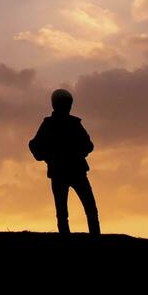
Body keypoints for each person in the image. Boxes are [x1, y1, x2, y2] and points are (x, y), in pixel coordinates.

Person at [28, 88, 100, 237]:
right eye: (65, 103)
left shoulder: (72, 123)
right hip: (65, 171)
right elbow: (34, 145)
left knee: (87, 209)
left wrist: (50, 156)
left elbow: (89, 145)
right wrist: (48, 156)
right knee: (67, 211)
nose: (67, 106)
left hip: (71, 171)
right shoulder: (52, 124)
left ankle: (93, 238)